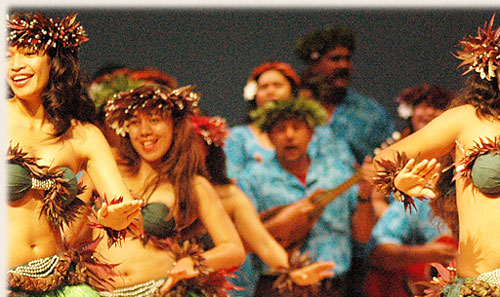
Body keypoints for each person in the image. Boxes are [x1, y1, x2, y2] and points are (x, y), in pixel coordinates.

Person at [6, 12, 142, 296]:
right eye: (7, 56)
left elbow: (128, 215)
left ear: (54, 61)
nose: (16, 65)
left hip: (58, 280)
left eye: (29, 53)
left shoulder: (83, 135)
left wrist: (116, 218)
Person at [373, 15, 500, 296]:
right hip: (485, 285)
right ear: (493, 67)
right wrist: (400, 181)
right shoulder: (468, 119)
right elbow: (386, 159)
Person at [82, 84, 246, 296]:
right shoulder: (106, 167)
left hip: (159, 290)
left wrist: (192, 262)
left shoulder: (192, 185)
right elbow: (69, 225)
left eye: (154, 120)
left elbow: (233, 250)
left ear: (174, 126)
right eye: (134, 122)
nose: (145, 131)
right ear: (125, 129)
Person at [237, 98, 376, 297]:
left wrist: (365, 197)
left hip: (334, 287)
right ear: (269, 136)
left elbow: (362, 236)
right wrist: (282, 224)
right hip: (276, 287)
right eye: (281, 129)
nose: (290, 135)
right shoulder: (252, 179)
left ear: (311, 133)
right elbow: (242, 241)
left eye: (297, 127)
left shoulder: (338, 172)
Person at [192, 114, 336, 296]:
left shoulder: (229, 196)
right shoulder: (153, 188)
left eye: (194, 145)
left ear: (208, 150)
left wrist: (292, 271)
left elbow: (264, 243)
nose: (187, 153)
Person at [365, 83, 457, 297]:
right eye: (423, 106)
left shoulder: (456, 153)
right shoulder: (394, 150)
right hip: (409, 247)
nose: (429, 112)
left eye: (437, 107)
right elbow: (378, 199)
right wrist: (400, 217)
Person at [294, 26, 396, 164]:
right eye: (335, 59)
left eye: (347, 59)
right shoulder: (293, 110)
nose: (343, 66)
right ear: (313, 64)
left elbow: (392, 159)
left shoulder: (371, 113)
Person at [224, 61, 301, 179]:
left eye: (278, 85)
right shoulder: (238, 136)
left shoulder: (311, 131)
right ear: (255, 95)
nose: (270, 91)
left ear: (292, 91)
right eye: (263, 87)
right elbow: (232, 182)